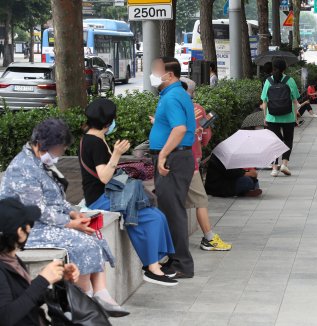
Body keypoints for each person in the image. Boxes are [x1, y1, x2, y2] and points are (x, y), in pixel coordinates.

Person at [0, 119, 128, 317]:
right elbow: (38, 210)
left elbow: (55, 198)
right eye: (59, 150)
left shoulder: (41, 162)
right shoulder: (23, 168)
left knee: (91, 231)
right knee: (82, 244)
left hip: (47, 220)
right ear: (41, 145)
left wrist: (73, 212)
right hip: (29, 227)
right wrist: (70, 223)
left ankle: (100, 293)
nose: (59, 155)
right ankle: (83, 300)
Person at [80, 98, 177, 286]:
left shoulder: (92, 138)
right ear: (108, 123)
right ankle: (151, 268)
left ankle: (159, 262)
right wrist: (116, 154)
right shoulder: (95, 143)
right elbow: (104, 177)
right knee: (151, 217)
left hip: (109, 194)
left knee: (157, 215)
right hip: (102, 199)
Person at [148, 57, 196, 279]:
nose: (154, 74)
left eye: (157, 70)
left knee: (173, 212)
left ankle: (181, 264)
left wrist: (163, 155)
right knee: (170, 210)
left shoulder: (172, 96)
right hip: (178, 157)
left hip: (173, 160)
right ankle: (175, 259)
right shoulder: (176, 94)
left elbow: (179, 129)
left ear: (170, 75)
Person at [0, 198, 81, 326]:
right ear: (20, 232)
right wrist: (42, 280)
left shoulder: (11, 258)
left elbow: (25, 300)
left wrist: (58, 280)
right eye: (29, 224)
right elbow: (5, 317)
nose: (31, 229)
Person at [179, 81, 232, 252]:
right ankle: (208, 238)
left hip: (171, 160)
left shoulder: (169, 108)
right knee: (201, 200)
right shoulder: (198, 110)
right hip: (191, 160)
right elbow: (207, 136)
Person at [261, 58, 301, 177]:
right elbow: (295, 100)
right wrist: (296, 117)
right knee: (288, 139)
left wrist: (265, 117)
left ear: (273, 68)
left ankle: (274, 168)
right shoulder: (290, 80)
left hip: (272, 117)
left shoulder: (268, 81)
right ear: (285, 68)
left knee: (274, 142)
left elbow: (264, 101)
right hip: (288, 116)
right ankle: (284, 164)